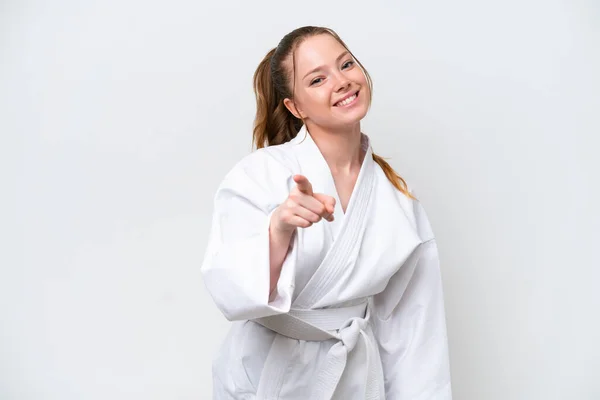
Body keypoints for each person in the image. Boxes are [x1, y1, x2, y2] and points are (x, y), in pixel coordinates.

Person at [200, 26, 452, 400]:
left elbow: (414, 325)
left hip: (356, 377)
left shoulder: (396, 196)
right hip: (268, 376)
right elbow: (230, 290)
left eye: (346, 64)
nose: (342, 82)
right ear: (296, 107)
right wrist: (279, 230)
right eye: (318, 79)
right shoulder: (260, 174)